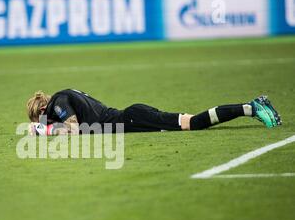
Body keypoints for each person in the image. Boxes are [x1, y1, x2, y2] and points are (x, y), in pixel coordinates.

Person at [26, 89, 281, 135]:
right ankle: (251, 106)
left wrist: (42, 130)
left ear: (44, 110)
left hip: (134, 118)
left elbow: (72, 129)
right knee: (194, 121)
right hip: (134, 115)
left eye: (42, 118)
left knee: (195, 124)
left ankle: (251, 107)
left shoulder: (59, 100)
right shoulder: (66, 94)